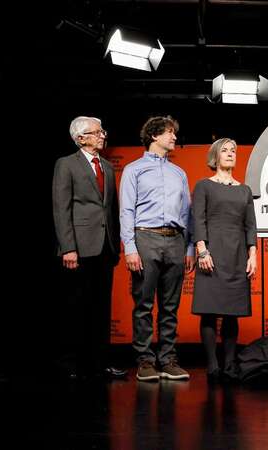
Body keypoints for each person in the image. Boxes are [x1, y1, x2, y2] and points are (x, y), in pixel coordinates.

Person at [120, 115, 195, 382]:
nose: (174, 137)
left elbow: (187, 213)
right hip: (145, 238)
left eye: (174, 133)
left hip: (175, 240)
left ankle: (167, 359)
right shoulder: (134, 169)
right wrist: (130, 247)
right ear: (154, 135)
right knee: (143, 304)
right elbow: (127, 211)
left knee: (170, 305)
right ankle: (144, 360)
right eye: (169, 132)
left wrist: (188, 249)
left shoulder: (179, 173)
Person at [52, 116, 124, 380]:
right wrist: (68, 247)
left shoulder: (106, 165)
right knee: (75, 307)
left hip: (105, 248)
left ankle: (100, 363)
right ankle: (70, 363)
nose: (103, 135)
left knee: (101, 308)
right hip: (79, 249)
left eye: (102, 131)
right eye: (97, 132)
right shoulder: (66, 164)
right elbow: (62, 208)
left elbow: (111, 210)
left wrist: (115, 245)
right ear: (81, 138)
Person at [190, 138, 258, 382]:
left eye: (233, 151)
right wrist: (202, 251)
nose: (230, 154)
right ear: (215, 157)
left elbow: (250, 225)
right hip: (212, 254)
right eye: (225, 151)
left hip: (237, 255)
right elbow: (198, 220)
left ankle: (229, 365)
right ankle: (212, 366)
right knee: (209, 312)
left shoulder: (244, 190)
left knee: (232, 312)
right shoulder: (203, 186)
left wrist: (253, 254)